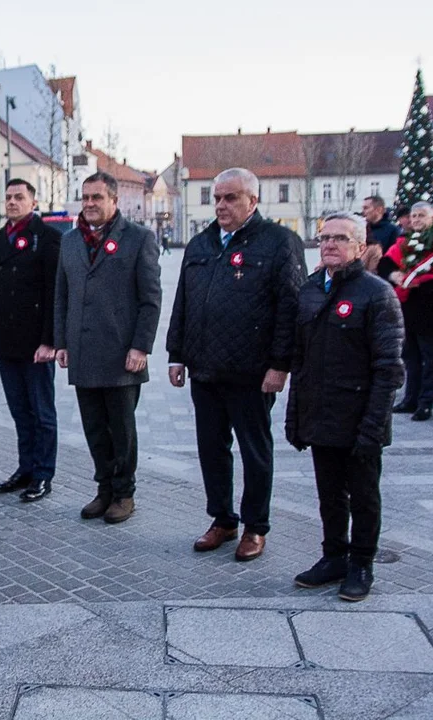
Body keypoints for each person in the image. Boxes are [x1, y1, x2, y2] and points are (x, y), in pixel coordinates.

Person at [166, 167, 302, 560]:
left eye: (231, 198)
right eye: (217, 198)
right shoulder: (201, 244)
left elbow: (290, 308)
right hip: (206, 369)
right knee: (211, 448)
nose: (221, 205)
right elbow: (184, 302)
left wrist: (280, 365)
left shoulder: (279, 243)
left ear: (252, 201)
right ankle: (223, 520)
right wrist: (177, 353)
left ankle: (255, 526)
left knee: (254, 451)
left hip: (252, 373)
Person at [286, 213, 404, 602]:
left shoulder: (376, 293)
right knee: (329, 494)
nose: (330, 244)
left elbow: (388, 369)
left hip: (360, 417)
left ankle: (361, 563)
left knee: (364, 496)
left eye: (340, 238)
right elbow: (299, 359)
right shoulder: (310, 290)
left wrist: (374, 425)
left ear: (360, 246)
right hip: (322, 414)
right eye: (324, 238)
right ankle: (333, 556)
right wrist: (296, 414)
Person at [55, 172, 162, 524]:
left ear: (114, 200)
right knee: (94, 428)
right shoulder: (70, 241)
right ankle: (103, 489)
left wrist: (140, 347)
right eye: (85, 197)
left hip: (121, 355)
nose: (89, 204)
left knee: (121, 429)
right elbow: (62, 296)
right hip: (83, 352)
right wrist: (62, 343)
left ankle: (124, 493)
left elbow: (150, 300)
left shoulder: (138, 238)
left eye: (97, 198)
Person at [0, 178, 62, 502]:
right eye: (8, 197)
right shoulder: (1, 238)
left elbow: (53, 293)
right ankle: (25, 468)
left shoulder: (48, 238)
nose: (12, 202)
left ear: (33, 201)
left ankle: (43, 474)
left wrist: (50, 341)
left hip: (36, 345)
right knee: (20, 411)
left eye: (19, 197)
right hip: (7, 342)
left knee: (42, 413)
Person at [380, 202, 433, 422]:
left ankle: (425, 402)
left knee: (429, 356)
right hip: (406, 306)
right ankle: (410, 398)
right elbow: (386, 265)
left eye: (422, 215)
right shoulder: (404, 241)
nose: (417, 219)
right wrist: (395, 277)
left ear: (432, 219)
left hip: (429, 306)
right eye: (414, 215)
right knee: (410, 356)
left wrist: (420, 283)